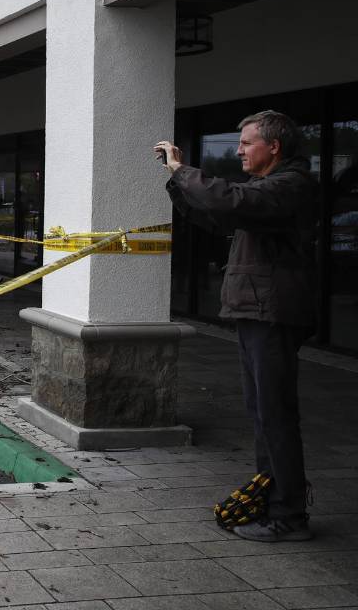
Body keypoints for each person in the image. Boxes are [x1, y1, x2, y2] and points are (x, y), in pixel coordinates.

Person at [156, 110, 317, 542]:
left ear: (274, 147)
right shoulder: (269, 188)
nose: (239, 150)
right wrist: (177, 182)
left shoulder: (291, 185)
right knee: (263, 413)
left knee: (276, 415)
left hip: (272, 313)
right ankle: (272, 500)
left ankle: (289, 515)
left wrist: (183, 170)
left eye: (246, 143)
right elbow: (215, 215)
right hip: (257, 311)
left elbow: (231, 201)